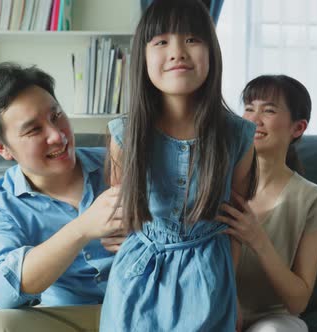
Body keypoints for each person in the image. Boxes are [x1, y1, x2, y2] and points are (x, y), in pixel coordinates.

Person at [99, 0, 257, 330]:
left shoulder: (237, 136)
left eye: (192, 39)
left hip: (208, 281)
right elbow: (118, 216)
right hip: (135, 285)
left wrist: (228, 290)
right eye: (161, 42)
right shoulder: (125, 135)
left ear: (212, 51)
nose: (177, 52)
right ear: (142, 56)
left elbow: (235, 228)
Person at [0, 62, 126, 332]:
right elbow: (1, 294)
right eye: (33, 130)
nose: (57, 135)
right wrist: (82, 228)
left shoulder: (119, 165)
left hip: (142, 307)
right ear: (2, 147)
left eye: (56, 116)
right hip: (66, 317)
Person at [216, 75, 317, 332]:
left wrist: (258, 239)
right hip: (214, 307)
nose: (254, 120)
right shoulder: (216, 184)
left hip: (271, 320)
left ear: (298, 128)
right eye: (249, 108)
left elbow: (298, 302)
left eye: (269, 110)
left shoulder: (316, 201)